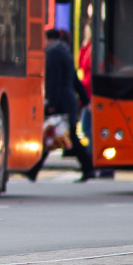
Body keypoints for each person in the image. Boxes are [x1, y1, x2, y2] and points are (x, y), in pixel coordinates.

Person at [45, 27, 94, 181]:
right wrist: (86, 100)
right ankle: (88, 168)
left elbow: (54, 81)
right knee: (58, 134)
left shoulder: (53, 54)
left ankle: (88, 167)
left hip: (61, 101)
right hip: (69, 100)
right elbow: (74, 79)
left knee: (60, 134)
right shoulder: (65, 52)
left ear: (50, 39)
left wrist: (51, 102)